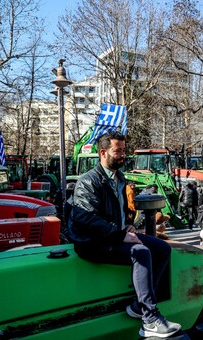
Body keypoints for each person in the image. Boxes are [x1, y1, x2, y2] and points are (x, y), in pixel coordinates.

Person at [68, 132, 180, 338]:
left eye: (123, 151)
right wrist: (120, 234)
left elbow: (119, 211)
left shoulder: (120, 178)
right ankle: (150, 319)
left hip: (113, 235)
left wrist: (128, 226)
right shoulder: (88, 182)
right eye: (117, 151)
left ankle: (139, 305)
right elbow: (86, 219)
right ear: (103, 153)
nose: (122, 156)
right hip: (91, 241)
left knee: (162, 248)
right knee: (141, 252)